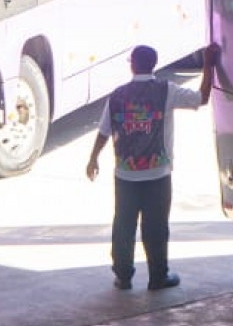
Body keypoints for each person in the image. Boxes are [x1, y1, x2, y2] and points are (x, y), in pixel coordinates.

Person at [85, 43, 216, 292]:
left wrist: (93, 158)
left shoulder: (118, 95)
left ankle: (123, 276)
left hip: (125, 174)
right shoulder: (167, 91)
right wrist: (208, 64)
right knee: (155, 227)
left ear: (132, 65)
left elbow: (104, 130)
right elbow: (203, 97)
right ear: (153, 65)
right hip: (158, 174)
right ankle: (158, 276)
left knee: (123, 226)